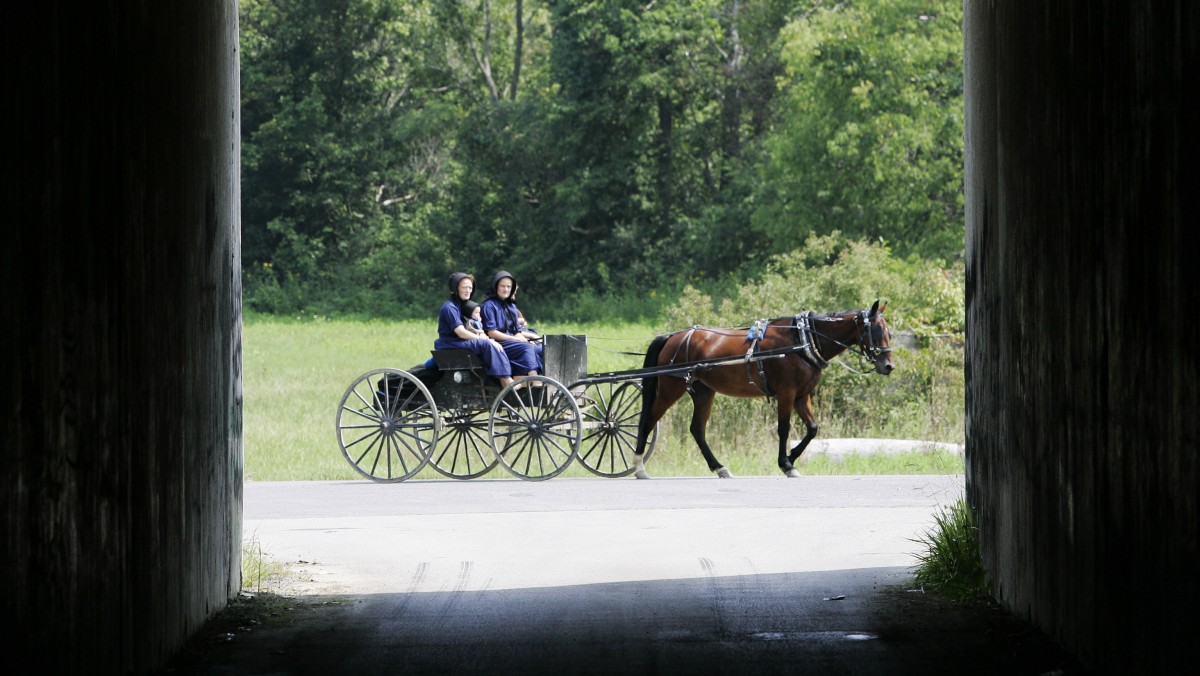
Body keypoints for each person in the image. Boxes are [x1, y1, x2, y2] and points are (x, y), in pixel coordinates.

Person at [435, 272, 513, 387]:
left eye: (470, 288)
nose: (468, 291)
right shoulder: (449, 307)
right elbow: (461, 332)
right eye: (464, 287)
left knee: (493, 342)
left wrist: (483, 335)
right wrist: (484, 340)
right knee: (487, 345)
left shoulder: (463, 306)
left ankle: (500, 378)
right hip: (449, 343)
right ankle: (505, 379)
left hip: (459, 341)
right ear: (455, 288)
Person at [481, 270, 544, 379]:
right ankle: (534, 379)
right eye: (503, 286)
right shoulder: (488, 306)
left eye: (509, 287)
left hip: (512, 342)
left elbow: (517, 331)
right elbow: (491, 332)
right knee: (526, 348)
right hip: (499, 343)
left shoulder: (511, 307)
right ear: (496, 286)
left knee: (540, 348)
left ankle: (543, 377)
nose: (506, 289)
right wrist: (514, 339)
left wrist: (523, 338)